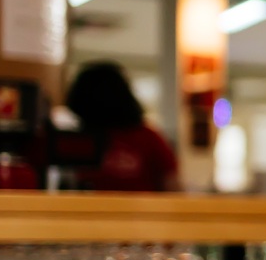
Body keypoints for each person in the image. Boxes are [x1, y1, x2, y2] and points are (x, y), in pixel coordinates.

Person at [64, 62, 179, 192]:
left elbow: (172, 188)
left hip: (139, 211)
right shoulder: (75, 140)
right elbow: (173, 188)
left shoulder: (148, 138)